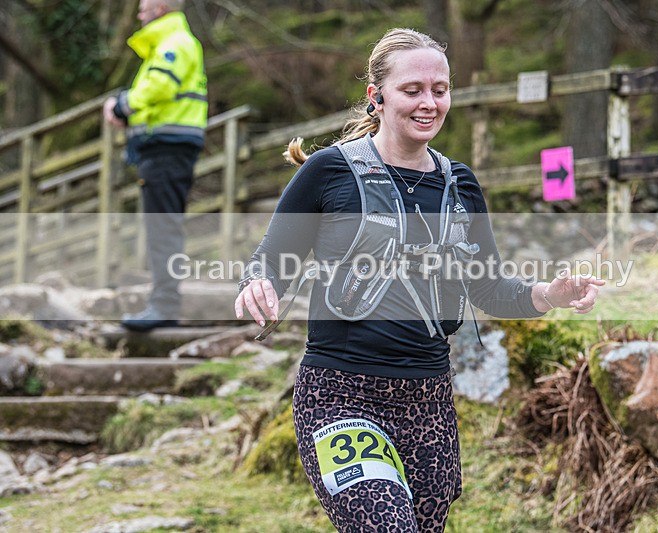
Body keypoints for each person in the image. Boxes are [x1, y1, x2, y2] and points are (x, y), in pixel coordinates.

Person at [234, 28, 604, 533]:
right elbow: (270, 259)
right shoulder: (329, 172)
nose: (429, 103)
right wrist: (259, 284)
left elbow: (489, 286)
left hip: (427, 398)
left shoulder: (460, 185)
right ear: (377, 97)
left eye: (440, 89)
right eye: (413, 90)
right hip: (340, 395)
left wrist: (549, 294)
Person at [103, 0, 207, 331]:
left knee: (163, 227)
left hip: (167, 150)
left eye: (144, 5)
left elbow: (159, 86)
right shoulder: (171, 43)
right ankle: (163, 302)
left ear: (161, 7)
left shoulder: (174, 44)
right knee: (162, 225)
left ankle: (164, 305)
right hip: (165, 148)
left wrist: (122, 105)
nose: (138, 12)